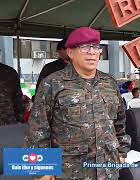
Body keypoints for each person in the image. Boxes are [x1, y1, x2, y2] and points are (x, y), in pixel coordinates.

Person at [25, 27, 131, 180]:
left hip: (107, 170)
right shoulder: (52, 83)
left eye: (95, 47)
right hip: (70, 171)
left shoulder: (109, 83)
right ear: (70, 52)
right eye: (85, 47)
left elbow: (120, 122)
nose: (92, 52)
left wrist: (121, 153)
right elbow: (37, 130)